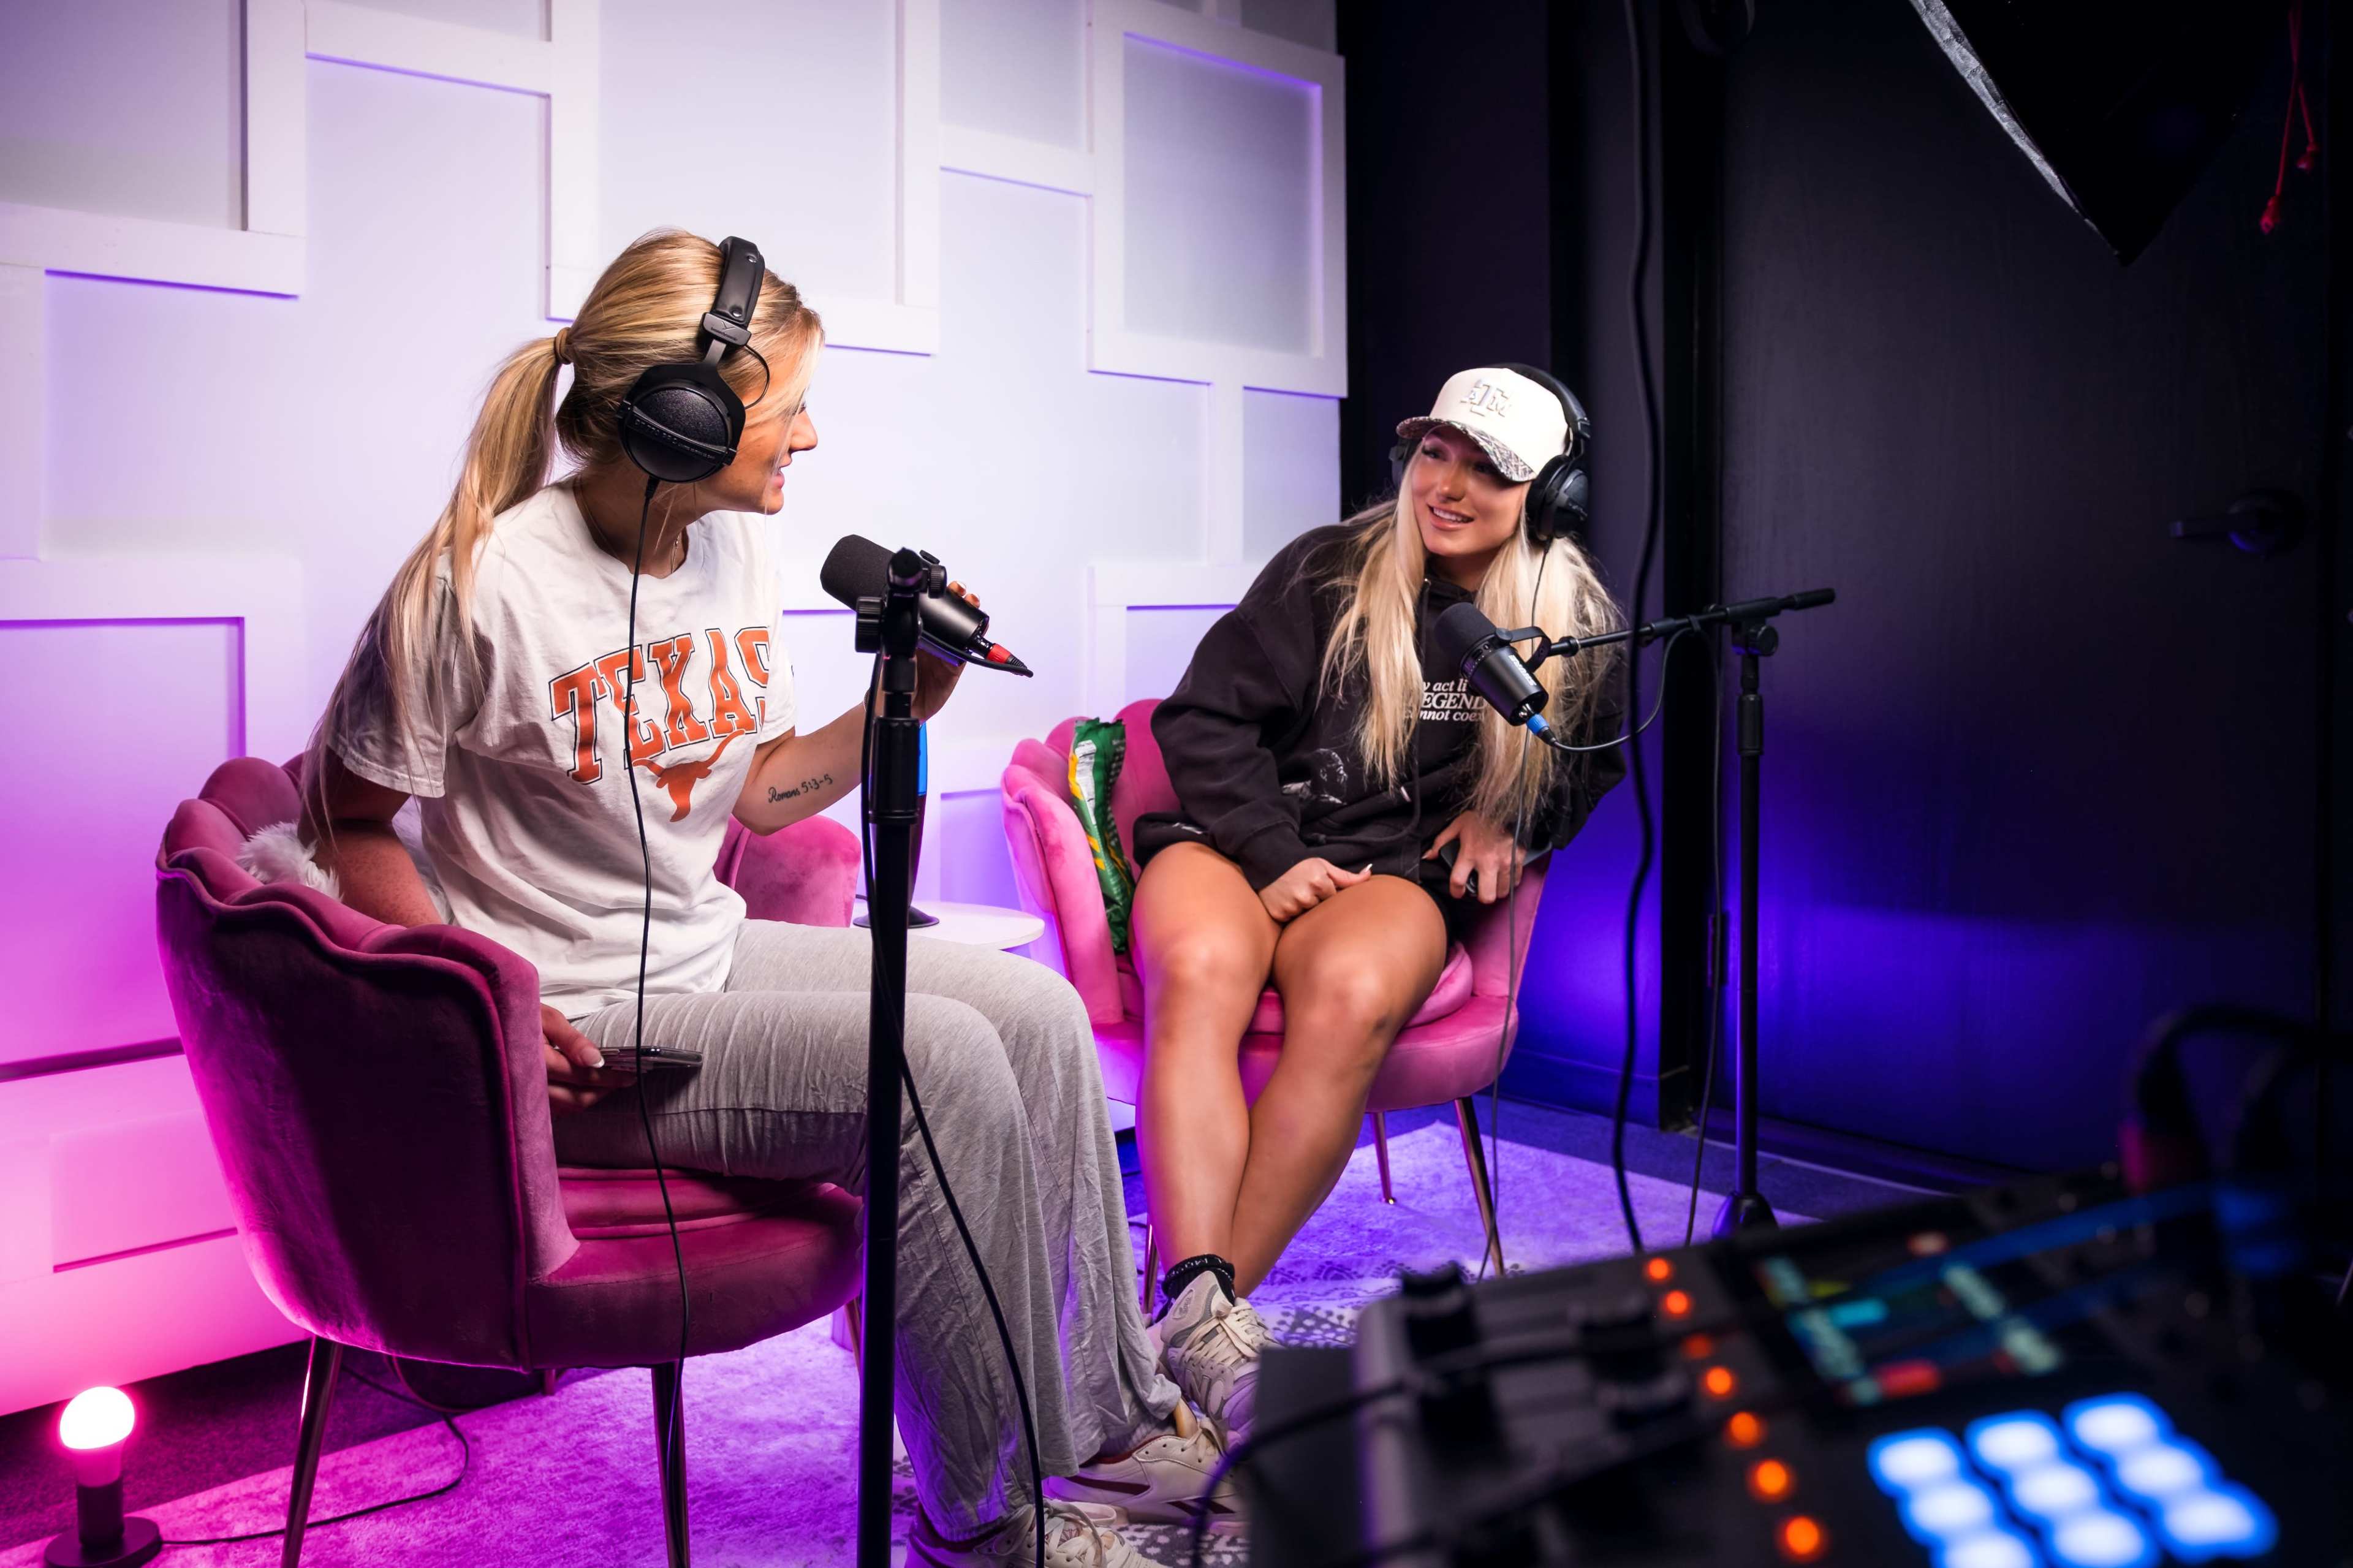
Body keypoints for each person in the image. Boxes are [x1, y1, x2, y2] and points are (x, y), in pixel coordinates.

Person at [301, 229, 1229, 1567]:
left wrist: (900, 704)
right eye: (787, 404)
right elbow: (343, 819)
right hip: (577, 1027)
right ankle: (986, 1512)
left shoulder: (724, 547)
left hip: (709, 957)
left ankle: (1105, 1424)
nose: (807, 435)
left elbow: (762, 797)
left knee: (1029, 1014)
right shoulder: (476, 583)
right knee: (939, 1065)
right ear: (681, 416)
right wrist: (481, 1000)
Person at [1127, 366, 1629, 1436]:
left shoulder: (1573, 623)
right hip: (1234, 840)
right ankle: (1199, 1323)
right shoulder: (1327, 568)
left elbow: (1590, 761)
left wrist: (1518, 817)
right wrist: (1267, 853)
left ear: (1548, 498)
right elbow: (1201, 723)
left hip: (1389, 873)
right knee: (1202, 972)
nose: (1446, 484)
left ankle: (1185, 1323)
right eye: (1435, 452)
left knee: (1354, 995)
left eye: (1487, 468)